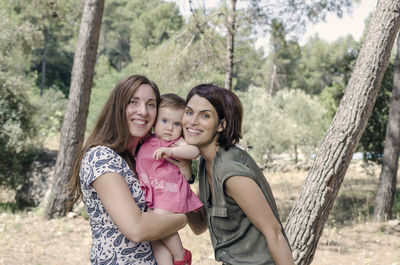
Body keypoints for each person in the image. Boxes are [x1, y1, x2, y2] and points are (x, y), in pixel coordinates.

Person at [67, 75, 189, 265]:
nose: (143, 111)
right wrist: (181, 219)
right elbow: (137, 229)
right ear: (118, 107)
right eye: (133, 102)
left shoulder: (143, 157)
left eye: (151, 104)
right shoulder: (101, 157)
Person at [182, 84, 295, 265]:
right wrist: (178, 180)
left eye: (204, 115)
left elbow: (274, 234)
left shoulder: (230, 171)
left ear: (221, 125)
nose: (192, 121)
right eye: (188, 112)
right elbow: (199, 225)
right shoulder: (205, 163)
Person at [136, 93, 203, 265]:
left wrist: (172, 151)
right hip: (154, 194)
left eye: (177, 124)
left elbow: (194, 152)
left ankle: (181, 256)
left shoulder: (175, 144)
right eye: (164, 121)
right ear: (155, 121)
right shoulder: (148, 139)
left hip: (170, 192)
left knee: (159, 224)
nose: (169, 128)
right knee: (154, 236)